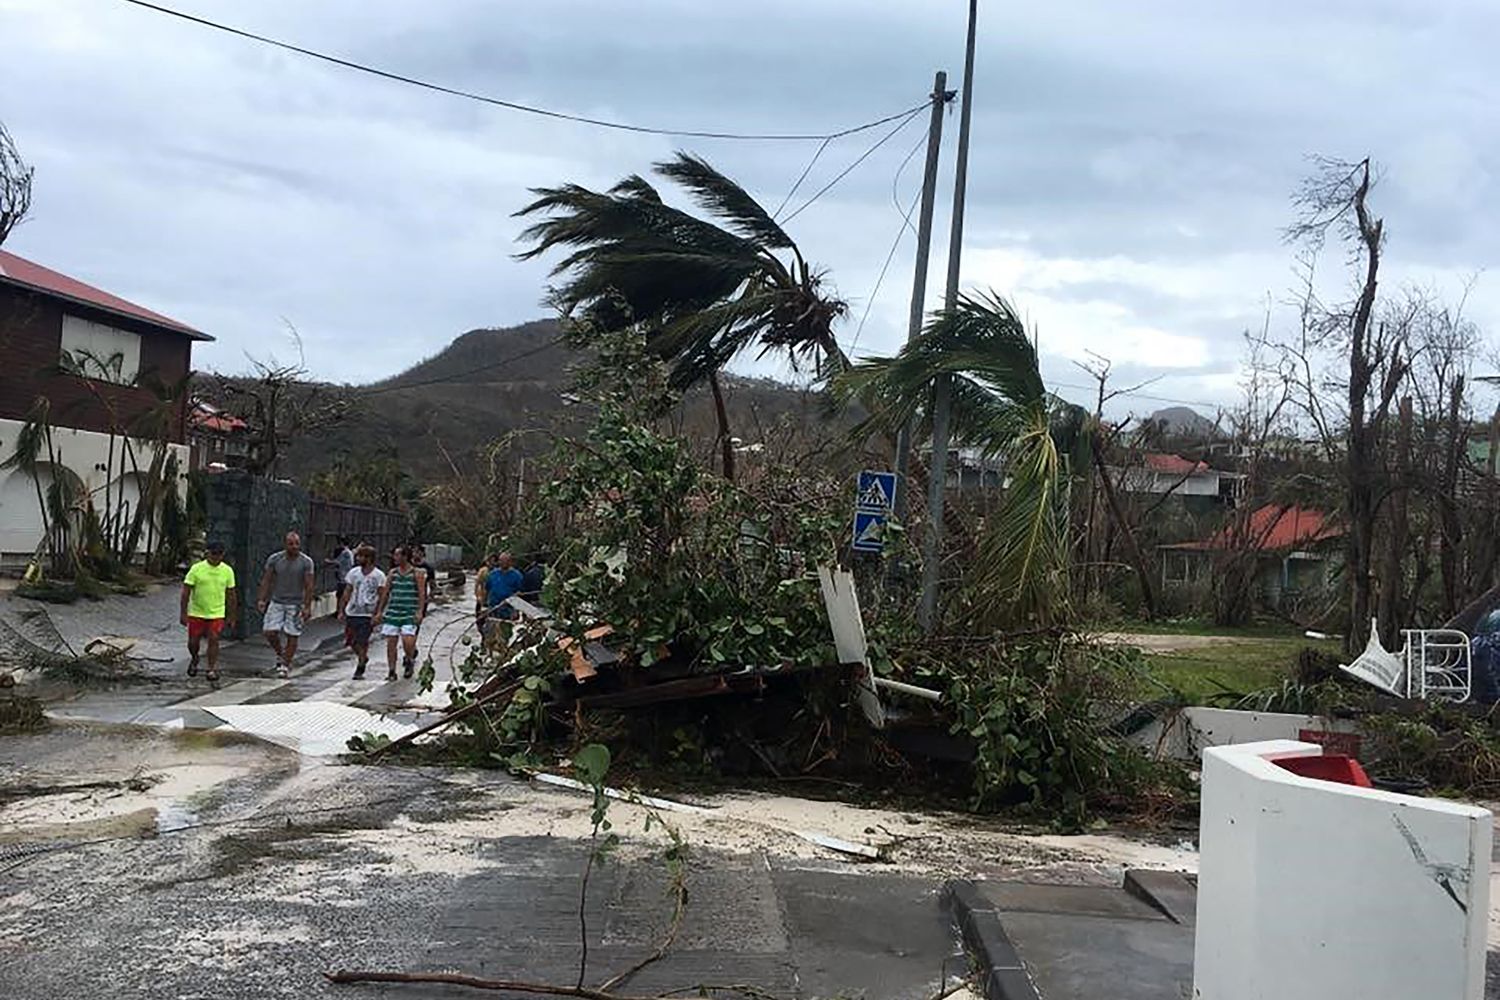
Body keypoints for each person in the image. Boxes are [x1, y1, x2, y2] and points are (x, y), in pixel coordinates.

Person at [256, 531, 316, 678]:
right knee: (269, 631)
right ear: (285, 544)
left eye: (297, 543)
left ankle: (285, 664)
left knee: (292, 634)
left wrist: (307, 606)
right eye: (291, 544)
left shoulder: (306, 562)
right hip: (277, 601)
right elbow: (267, 580)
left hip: (295, 604)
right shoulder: (275, 559)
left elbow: (309, 585)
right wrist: (262, 599)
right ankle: (280, 653)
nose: (294, 547)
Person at [180, 540, 236, 683]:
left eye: (218, 554)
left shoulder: (227, 571)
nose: (215, 557)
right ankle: (195, 657)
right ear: (207, 553)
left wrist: (231, 615)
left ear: (222, 555)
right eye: (213, 554)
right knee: (193, 642)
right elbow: (186, 592)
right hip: (197, 612)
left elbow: (231, 595)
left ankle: (211, 668)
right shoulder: (196, 569)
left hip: (216, 612)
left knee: (214, 638)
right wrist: (183, 613)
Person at [373, 545, 425, 681]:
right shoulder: (392, 573)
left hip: (409, 612)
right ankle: (391, 671)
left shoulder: (417, 573)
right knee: (391, 642)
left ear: (405, 557)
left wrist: (419, 611)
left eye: (397, 555)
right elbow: (385, 593)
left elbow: (421, 594)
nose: (395, 558)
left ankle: (409, 659)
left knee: (408, 640)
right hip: (393, 612)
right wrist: (380, 611)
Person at [338, 544, 385, 679]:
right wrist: (341, 609)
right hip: (353, 612)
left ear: (369, 558)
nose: (358, 558)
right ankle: (362, 656)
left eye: (361, 556)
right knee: (351, 641)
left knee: (362, 640)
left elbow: (382, 595)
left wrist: (378, 612)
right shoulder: (353, 573)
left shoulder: (379, 575)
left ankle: (360, 666)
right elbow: (347, 591)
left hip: (367, 613)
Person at [484, 551, 524, 622]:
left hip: (509, 609)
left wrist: (515, 609)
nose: (503, 563)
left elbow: (520, 592)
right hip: (493, 608)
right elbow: (487, 589)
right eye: (501, 560)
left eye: (505, 561)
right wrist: (485, 605)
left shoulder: (517, 576)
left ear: (510, 562)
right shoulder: (492, 574)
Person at [325, 536, 354, 615]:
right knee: (341, 594)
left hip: (343, 576)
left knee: (341, 594)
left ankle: (340, 611)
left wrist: (328, 561)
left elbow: (337, 562)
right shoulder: (349, 552)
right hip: (344, 576)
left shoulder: (345, 553)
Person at [474, 552, 498, 625]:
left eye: (494, 561)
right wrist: (478, 597)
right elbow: (477, 584)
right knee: (480, 620)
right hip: (483, 599)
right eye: (490, 561)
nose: (492, 563)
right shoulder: (483, 571)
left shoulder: (498, 572)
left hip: (493, 600)